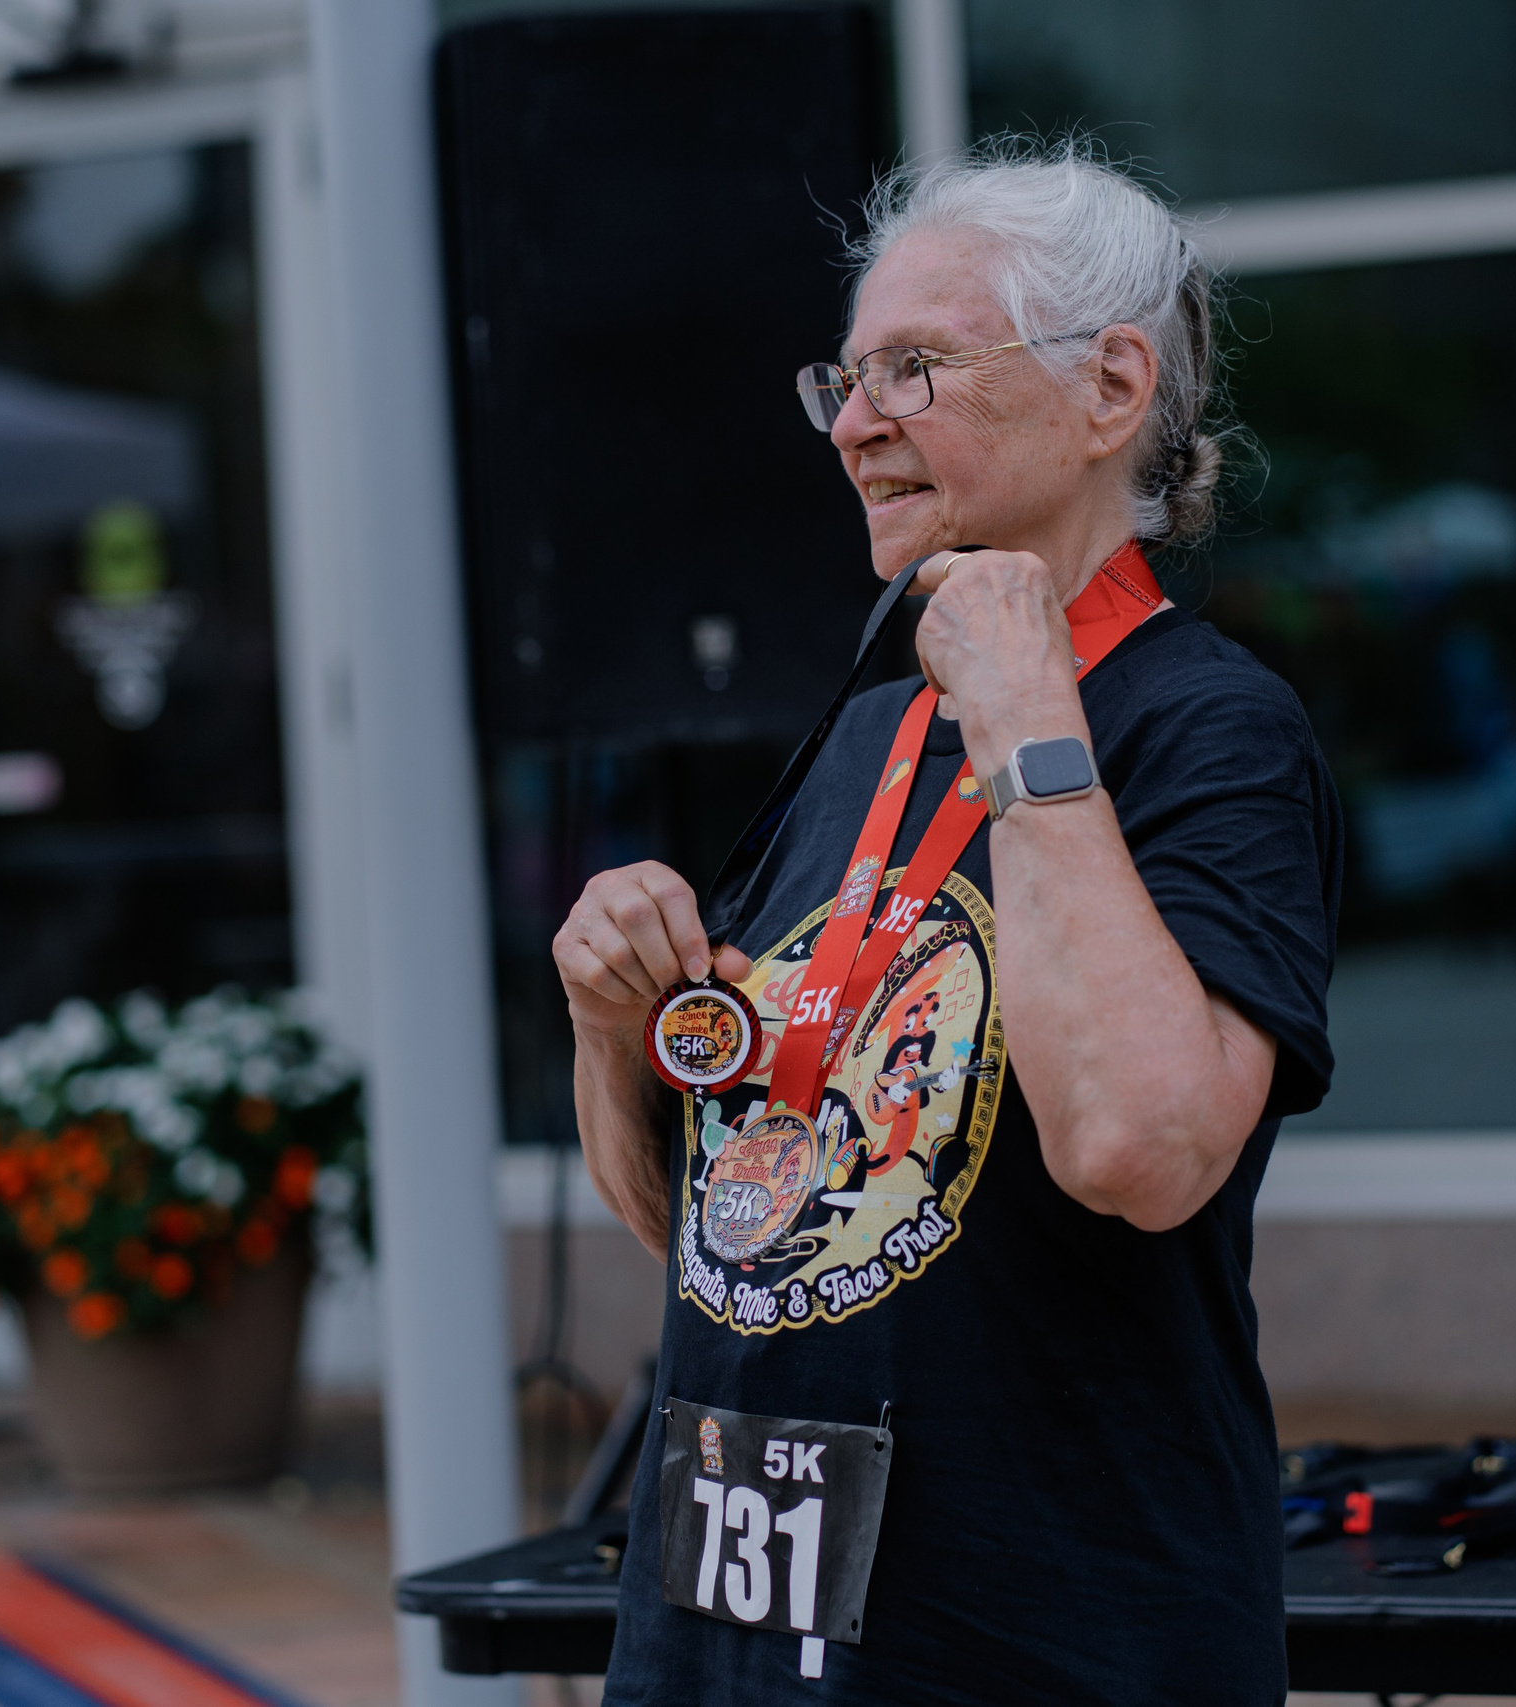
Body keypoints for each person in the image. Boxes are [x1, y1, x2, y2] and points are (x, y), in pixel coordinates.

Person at [554, 138, 1341, 1705]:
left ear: (1110, 389)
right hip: (729, 1641)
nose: (855, 426)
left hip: (1034, 1646)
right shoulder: (865, 729)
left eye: (913, 369)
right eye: (843, 382)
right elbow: (708, 1233)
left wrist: (1033, 721)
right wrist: (607, 1024)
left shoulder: (1211, 730)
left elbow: (1141, 1150)